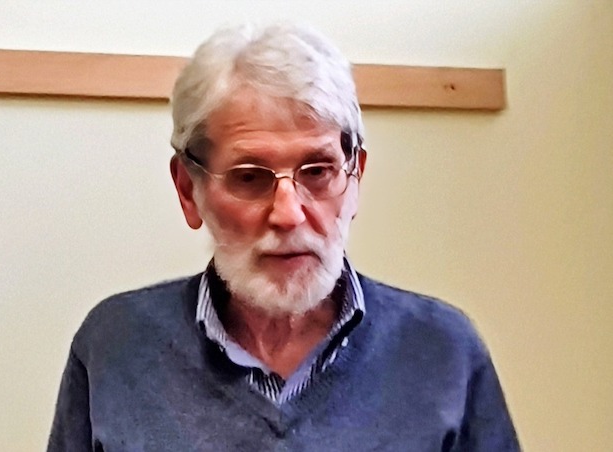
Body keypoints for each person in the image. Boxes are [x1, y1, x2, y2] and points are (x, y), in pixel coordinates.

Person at [48, 23, 520, 452]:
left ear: (355, 178)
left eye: (317, 171)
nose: (289, 214)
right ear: (189, 190)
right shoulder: (115, 346)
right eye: (250, 177)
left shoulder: (442, 351)